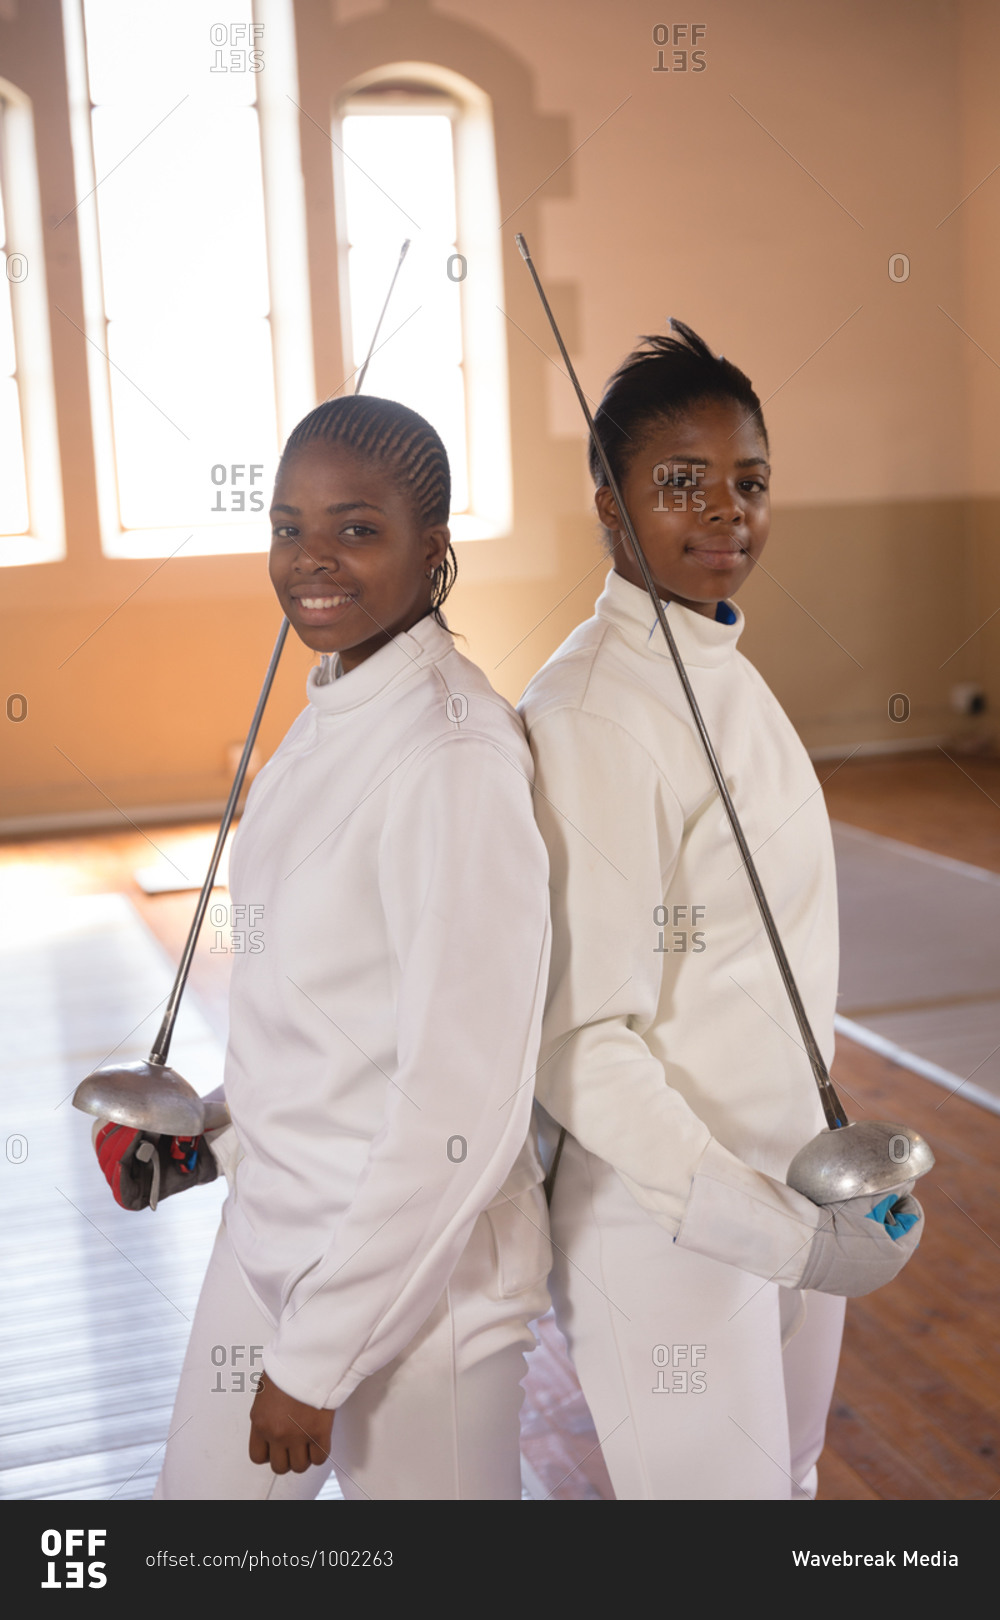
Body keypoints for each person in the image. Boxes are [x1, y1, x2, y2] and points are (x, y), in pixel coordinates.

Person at [97, 395, 552, 1499]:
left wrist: (315, 1359)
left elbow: (461, 1100)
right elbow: (326, 1015)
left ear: (432, 549)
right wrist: (211, 1134)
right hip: (271, 1239)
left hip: (413, 1294)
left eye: (357, 528)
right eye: (288, 526)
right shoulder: (332, 708)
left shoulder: (454, 759)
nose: (313, 560)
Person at [517, 323, 923, 1501]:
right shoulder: (593, 710)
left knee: (785, 1488)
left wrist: (809, 1211)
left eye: (748, 483)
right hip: (669, 1228)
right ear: (609, 502)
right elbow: (578, 1045)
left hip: (790, 1186)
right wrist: (773, 1233)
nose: (725, 513)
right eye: (680, 483)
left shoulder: (718, 666)